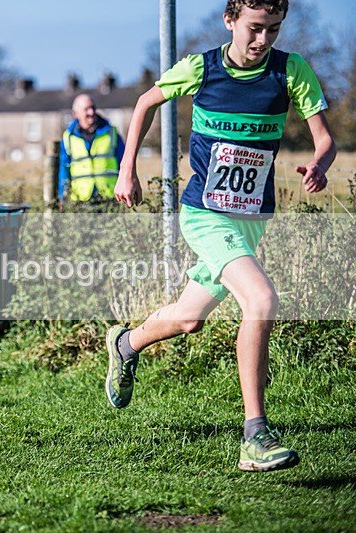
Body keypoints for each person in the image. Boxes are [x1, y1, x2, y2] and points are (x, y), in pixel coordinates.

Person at [107, 0, 336, 473]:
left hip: (252, 219)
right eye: (255, 28)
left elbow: (325, 139)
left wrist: (319, 164)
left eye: (273, 29)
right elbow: (146, 102)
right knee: (261, 299)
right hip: (205, 214)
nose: (263, 40)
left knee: (189, 319)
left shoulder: (290, 70)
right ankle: (255, 434)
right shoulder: (201, 68)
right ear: (230, 20)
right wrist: (127, 169)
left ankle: (126, 344)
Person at [58, 93, 125, 204]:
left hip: (109, 197)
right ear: (76, 114)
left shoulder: (112, 133)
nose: (91, 112)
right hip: (80, 199)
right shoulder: (68, 137)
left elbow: (124, 162)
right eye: (86, 109)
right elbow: (64, 169)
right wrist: (62, 197)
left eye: (93, 108)